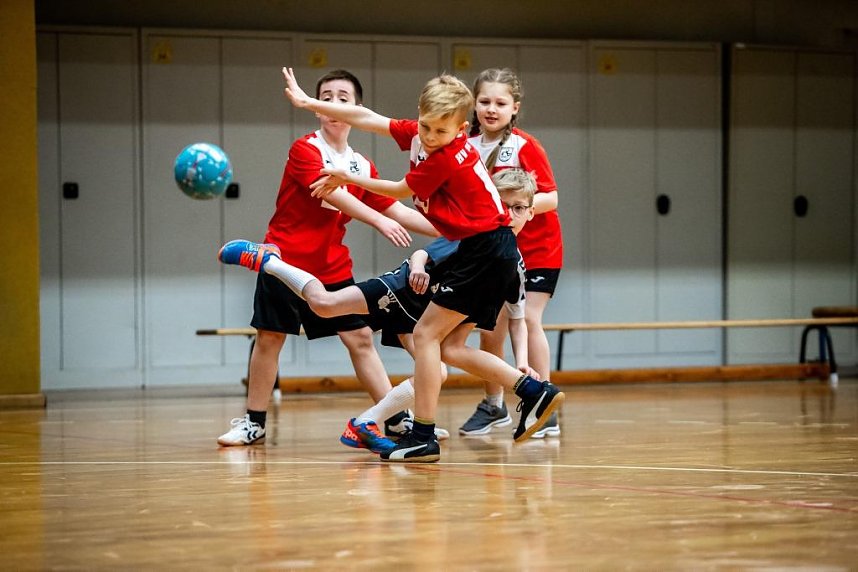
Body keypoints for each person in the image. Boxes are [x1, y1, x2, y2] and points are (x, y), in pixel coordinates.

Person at [281, 67, 564, 463]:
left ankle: (423, 435)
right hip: (477, 251)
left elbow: (400, 190)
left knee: (427, 338)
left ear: (461, 129)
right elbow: (368, 118)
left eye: (442, 132)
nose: (431, 138)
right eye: (426, 128)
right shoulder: (422, 132)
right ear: (420, 115)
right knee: (450, 347)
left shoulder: (450, 156)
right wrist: (309, 102)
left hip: (486, 252)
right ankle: (534, 391)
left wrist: (346, 178)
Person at [220, 169, 538, 455]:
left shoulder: (511, 262)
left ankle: (368, 423)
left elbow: (518, 317)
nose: (510, 214)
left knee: (436, 372)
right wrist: (418, 268)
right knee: (324, 304)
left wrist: (522, 361)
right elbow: (423, 252)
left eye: (519, 208)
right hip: (399, 292)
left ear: (531, 212)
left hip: (426, 317)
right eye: (503, 205)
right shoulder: (476, 238)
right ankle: (268, 261)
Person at [216, 69, 438, 447]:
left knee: (361, 339)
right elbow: (332, 194)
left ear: (356, 107)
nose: (334, 104)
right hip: (284, 260)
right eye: (327, 97)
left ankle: (396, 419)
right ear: (317, 108)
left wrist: (453, 230)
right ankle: (254, 422)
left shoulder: (362, 165)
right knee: (269, 339)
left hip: (332, 265)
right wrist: (377, 222)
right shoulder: (306, 149)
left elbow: (397, 209)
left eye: (343, 97)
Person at [459, 68, 564, 439]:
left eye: (500, 103)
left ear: (514, 107)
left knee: (529, 319)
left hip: (537, 249)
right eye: (484, 101)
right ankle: (494, 404)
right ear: (474, 104)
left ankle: (544, 403)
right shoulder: (465, 146)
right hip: (491, 252)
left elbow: (550, 196)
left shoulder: (523, 146)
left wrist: (515, 209)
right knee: (490, 327)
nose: (491, 108)